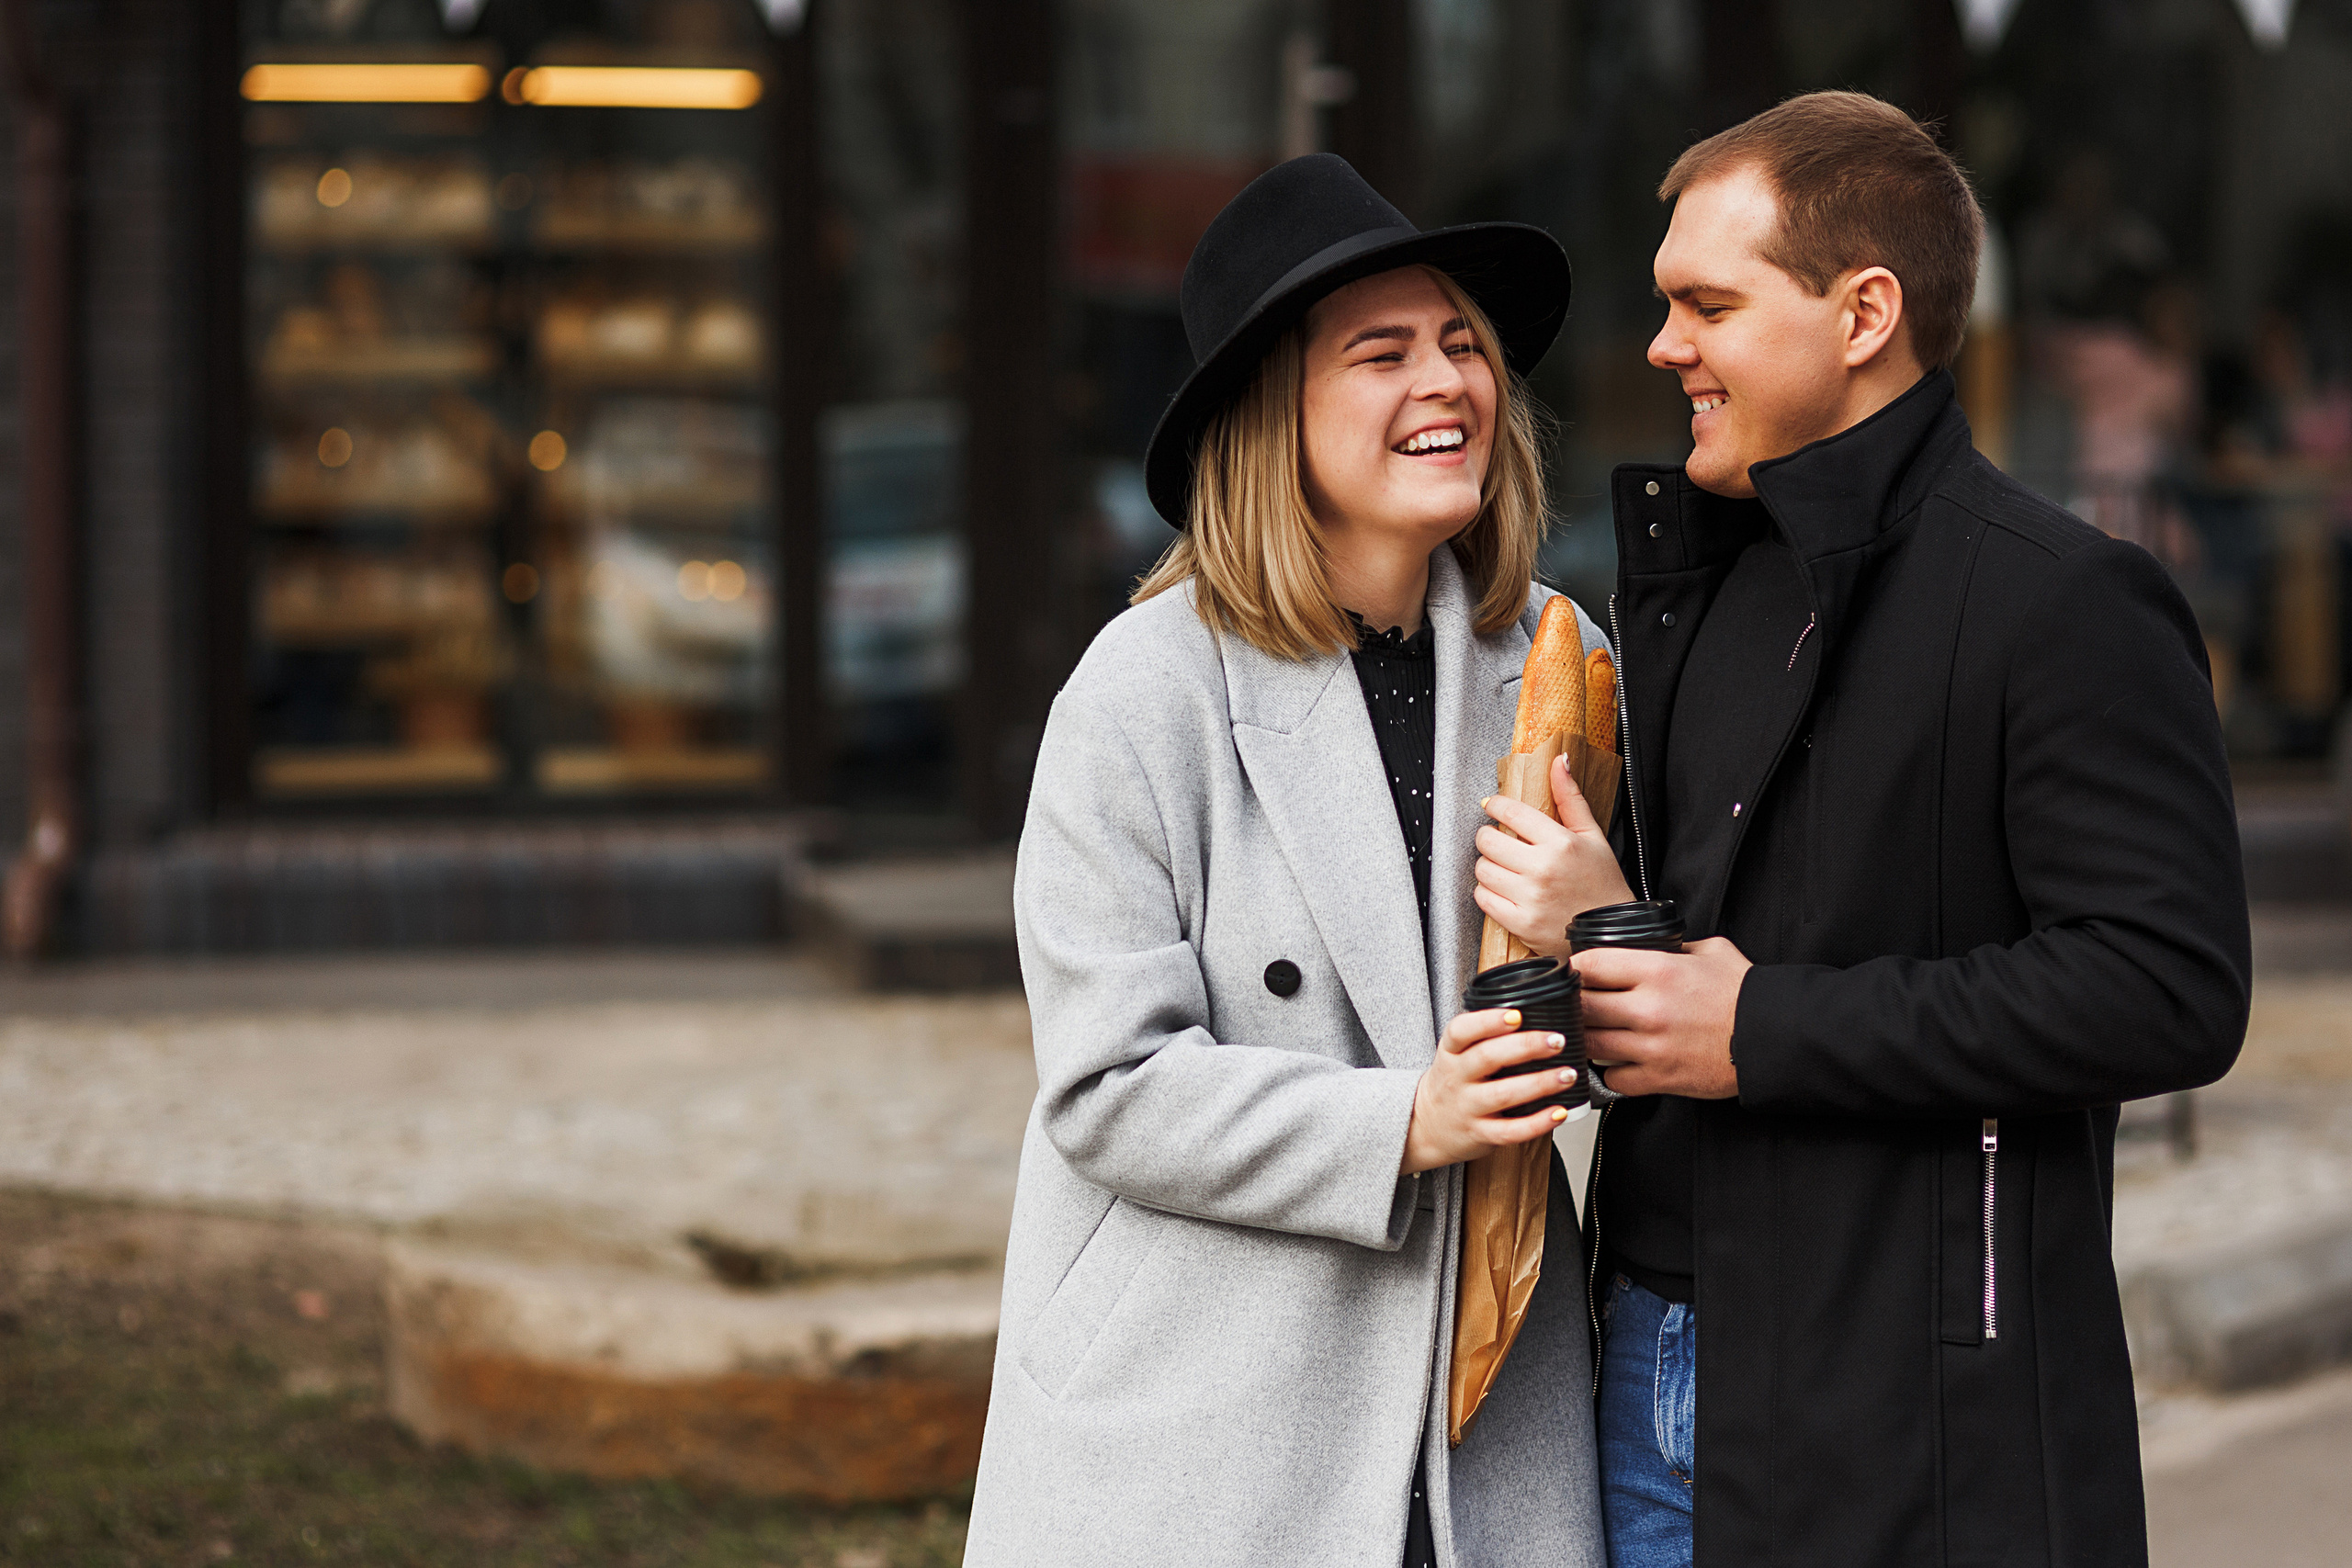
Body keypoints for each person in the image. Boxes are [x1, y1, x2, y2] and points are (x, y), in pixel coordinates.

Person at [1569, 91, 2252, 1568]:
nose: (1663, 347)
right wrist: (1600, 915)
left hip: (1915, 1403)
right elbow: (1710, 963)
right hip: (1641, 1364)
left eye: (1707, 304)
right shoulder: (1702, 584)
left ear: (1864, 310)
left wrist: (1765, 1030)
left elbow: (2168, 988)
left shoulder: (2064, 601)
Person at [964, 154, 1622, 1567]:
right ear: (1276, 415)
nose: (1443, 381)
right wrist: (1403, 1125)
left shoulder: (1560, 668)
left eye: (1460, 344)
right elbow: (1106, 1084)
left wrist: (1610, 929)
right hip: (1209, 1420)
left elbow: (1620, 1027)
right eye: (1381, 353)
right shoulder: (1141, 695)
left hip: (1485, 1408)